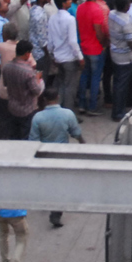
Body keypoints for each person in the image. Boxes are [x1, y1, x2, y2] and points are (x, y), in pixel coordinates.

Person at [28, 87, 83, 228]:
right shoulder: (68, 114)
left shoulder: (38, 117)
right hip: (62, 154)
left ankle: (47, 200)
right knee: (60, 183)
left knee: (48, 179)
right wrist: (84, 144)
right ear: (58, 97)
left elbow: (33, 140)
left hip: (45, 155)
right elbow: (76, 133)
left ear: (45, 100)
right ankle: (56, 212)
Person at [76, 0, 109, 116]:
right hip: (96, 48)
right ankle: (92, 106)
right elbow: (99, 31)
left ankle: (82, 104)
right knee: (95, 78)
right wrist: (103, 43)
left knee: (85, 75)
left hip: (84, 46)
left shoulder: (80, 8)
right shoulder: (97, 9)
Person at [1, 41, 45, 141]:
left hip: (12, 107)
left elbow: (5, 84)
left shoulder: (7, 67)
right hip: (27, 109)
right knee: (26, 137)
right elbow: (37, 90)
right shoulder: (28, 71)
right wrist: (37, 78)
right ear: (27, 54)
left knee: (14, 136)